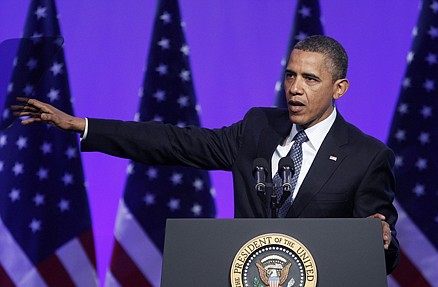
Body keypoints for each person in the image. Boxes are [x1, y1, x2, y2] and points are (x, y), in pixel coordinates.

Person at [12, 35, 400, 273]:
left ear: (340, 88)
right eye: (290, 75)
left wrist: (379, 239)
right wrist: (83, 125)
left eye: (310, 79)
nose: (295, 88)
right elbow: (173, 142)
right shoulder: (258, 128)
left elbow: (382, 256)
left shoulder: (366, 156)